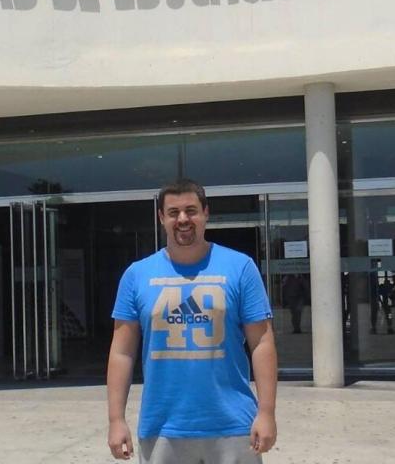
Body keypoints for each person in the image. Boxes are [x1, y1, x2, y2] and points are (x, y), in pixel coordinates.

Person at [106, 179, 278, 463]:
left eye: (191, 210)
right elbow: (122, 352)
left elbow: (261, 342)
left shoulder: (240, 267)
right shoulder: (137, 275)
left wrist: (267, 413)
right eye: (173, 212)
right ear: (161, 218)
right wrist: (116, 419)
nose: (183, 219)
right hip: (162, 427)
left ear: (206, 213)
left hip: (233, 425)